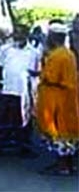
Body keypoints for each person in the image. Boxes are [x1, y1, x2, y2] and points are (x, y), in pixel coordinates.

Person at [0, 25, 39, 158]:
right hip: (8, 90)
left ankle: (24, 148)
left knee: (24, 120)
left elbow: (36, 72)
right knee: (4, 119)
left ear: (27, 35)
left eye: (21, 33)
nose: (18, 36)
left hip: (24, 93)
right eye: (16, 33)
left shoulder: (34, 52)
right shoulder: (5, 50)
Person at [37, 24, 79, 175]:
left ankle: (63, 167)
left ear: (53, 37)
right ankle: (69, 165)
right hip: (67, 100)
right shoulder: (69, 54)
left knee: (58, 134)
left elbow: (50, 78)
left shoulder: (56, 56)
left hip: (56, 100)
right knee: (67, 133)